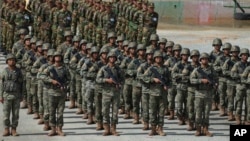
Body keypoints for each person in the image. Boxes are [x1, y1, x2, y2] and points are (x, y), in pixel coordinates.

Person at [96, 51, 124, 136]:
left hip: (115, 92)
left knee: (115, 112)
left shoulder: (118, 69)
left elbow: (123, 79)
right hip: (106, 92)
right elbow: (98, 79)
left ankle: (113, 129)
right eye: (110, 57)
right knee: (105, 111)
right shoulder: (104, 69)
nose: (112, 59)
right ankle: (106, 129)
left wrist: (119, 84)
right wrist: (106, 80)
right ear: (108, 58)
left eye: (113, 57)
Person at [42, 51, 70, 136]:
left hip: (61, 94)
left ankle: (60, 129)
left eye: (59, 56)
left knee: (60, 113)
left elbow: (69, 79)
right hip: (51, 93)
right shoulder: (50, 68)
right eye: (56, 56)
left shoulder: (65, 69)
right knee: (52, 112)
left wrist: (65, 86)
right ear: (53, 58)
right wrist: (51, 81)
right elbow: (41, 76)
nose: (57, 57)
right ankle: (53, 129)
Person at [143, 51, 170, 136]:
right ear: (154, 59)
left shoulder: (165, 69)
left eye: (160, 57)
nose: (158, 59)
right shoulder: (151, 69)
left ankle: (160, 128)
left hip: (163, 93)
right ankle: (153, 129)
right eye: (157, 57)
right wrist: (153, 79)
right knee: (153, 112)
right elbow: (144, 77)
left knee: (161, 112)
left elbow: (170, 80)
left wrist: (167, 86)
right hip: (153, 93)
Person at [190, 52, 217, 137]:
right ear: (200, 60)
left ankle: (206, 130)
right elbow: (191, 80)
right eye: (203, 59)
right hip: (199, 94)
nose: (205, 60)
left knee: (206, 113)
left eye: (206, 59)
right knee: (198, 113)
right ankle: (198, 129)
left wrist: (215, 84)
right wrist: (201, 81)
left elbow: (216, 79)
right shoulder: (197, 70)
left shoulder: (212, 70)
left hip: (208, 94)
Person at [0, 53, 24, 136]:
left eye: (13, 60)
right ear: (7, 61)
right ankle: (6, 129)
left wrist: (22, 96)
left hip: (16, 96)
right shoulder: (4, 71)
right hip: (6, 95)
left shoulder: (19, 71)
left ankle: (14, 129)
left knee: (15, 114)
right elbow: (2, 84)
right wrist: (1, 96)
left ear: (15, 61)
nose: (11, 61)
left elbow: (22, 84)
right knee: (6, 114)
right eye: (9, 60)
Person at [231, 48, 249, 125]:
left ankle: (247, 119)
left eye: (247, 55)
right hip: (240, 86)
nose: (245, 56)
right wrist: (243, 76)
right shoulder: (237, 64)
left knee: (249, 104)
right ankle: (238, 118)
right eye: (244, 55)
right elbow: (233, 74)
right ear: (241, 56)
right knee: (239, 103)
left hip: (248, 87)